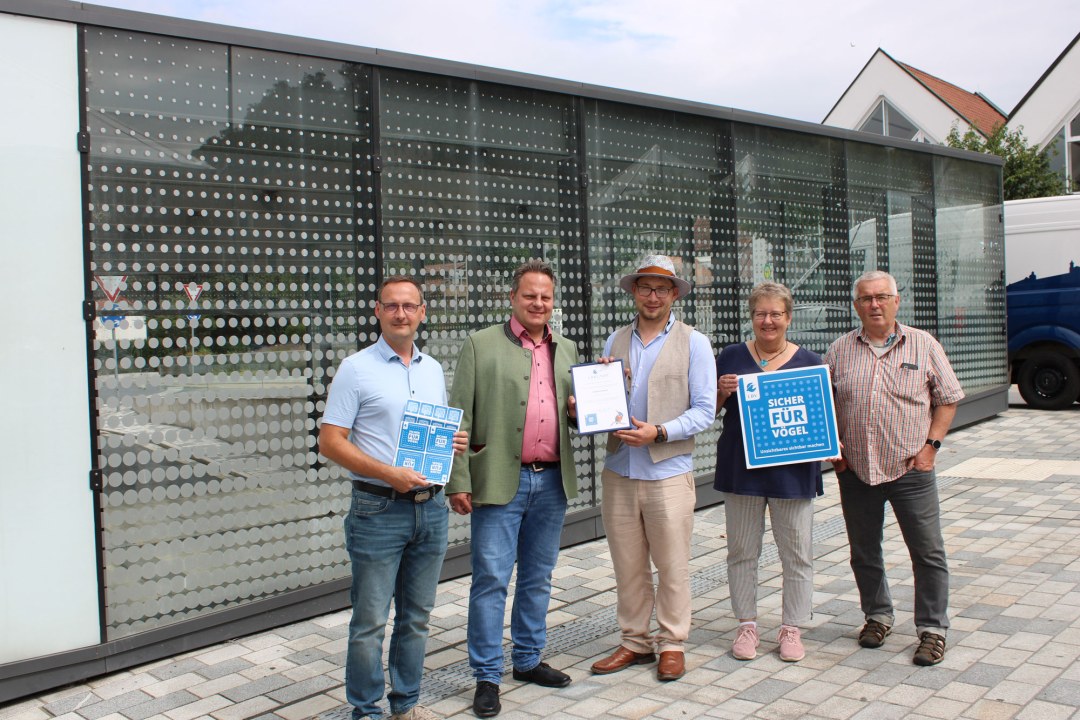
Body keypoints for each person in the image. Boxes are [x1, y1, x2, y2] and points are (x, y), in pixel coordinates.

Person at [319, 276, 468, 720]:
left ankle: (406, 704)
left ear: (423, 312)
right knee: (370, 623)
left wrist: (451, 444)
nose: (401, 313)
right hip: (377, 508)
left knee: (417, 617)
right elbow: (330, 442)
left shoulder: (432, 368)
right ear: (378, 312)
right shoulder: (355, 368)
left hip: (431, 509)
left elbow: (429, 436)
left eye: (409, 306)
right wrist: (388, 473)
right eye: (392, 306)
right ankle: (366, 710)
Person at [447, 259, 580, 718]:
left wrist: (591, 406)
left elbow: (574, 418)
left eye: (545, 297)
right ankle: (486, 675)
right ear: (513, 298)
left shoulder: (567, 347)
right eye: (530, 295)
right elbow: (459, 415)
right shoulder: (479, 345)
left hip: (552, 481)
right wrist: (457, 480)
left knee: (538, 578)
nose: (538, 303)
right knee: (490, 581)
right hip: (499, 481)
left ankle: (526, 659)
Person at [824, 270, 964, 667]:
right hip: (857, 471)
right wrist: (835, 449)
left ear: (896, 301)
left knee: (927, 551)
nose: (875, 304)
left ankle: (933, 629)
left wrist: (930, 448)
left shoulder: (923, 344)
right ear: (856, 305)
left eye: (882, 297)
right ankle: (877, 616)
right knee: (864, 551)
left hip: (910, 469)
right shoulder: (839, 350)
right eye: (867, 298)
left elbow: (948, 398)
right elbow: (824, 403)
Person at [589, 254, 717, 682]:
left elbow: (704, 411)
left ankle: (673, 642)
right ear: (634, 291)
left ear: (675, 294)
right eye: (645, 287)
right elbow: (603, 404)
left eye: (662, 288)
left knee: (673, 564)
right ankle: (634, 641)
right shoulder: (614, 341)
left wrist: (659, 431)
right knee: (627, 564)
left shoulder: (694, 342)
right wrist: (589, 400)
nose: (653, 295)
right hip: (621, 470)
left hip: (667, 471)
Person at [714, 282, 824, 663]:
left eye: (776, 313)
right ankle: (747, 624)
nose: (768, 320)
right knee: (742, 550)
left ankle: (792, 627)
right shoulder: (730, 356)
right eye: (761, 313)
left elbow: (822, 418)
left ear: (788, 318)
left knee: (797, 553)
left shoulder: (810, 362)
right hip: (741, 470)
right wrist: (722, 392)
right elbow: (708, 410)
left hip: (792, 473)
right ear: (752, 317)